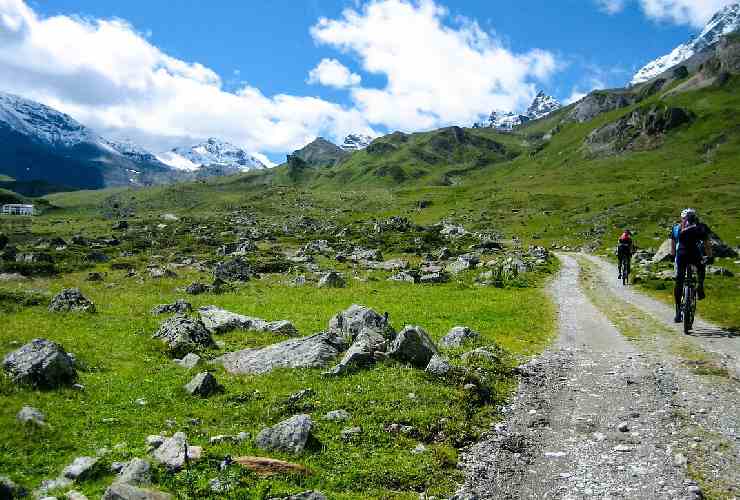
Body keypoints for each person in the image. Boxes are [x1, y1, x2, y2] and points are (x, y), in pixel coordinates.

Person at [671, 208, 713, 322]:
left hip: (681, 255)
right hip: (694, 254)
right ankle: (700, 285)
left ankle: (678, 311)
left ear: (682, 218)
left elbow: (673, 242)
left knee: (679, 280)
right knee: (700, 267)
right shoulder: (700, 227)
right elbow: (706, 243)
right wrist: (710, 256)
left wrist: (672, 255)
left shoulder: (677, 228)